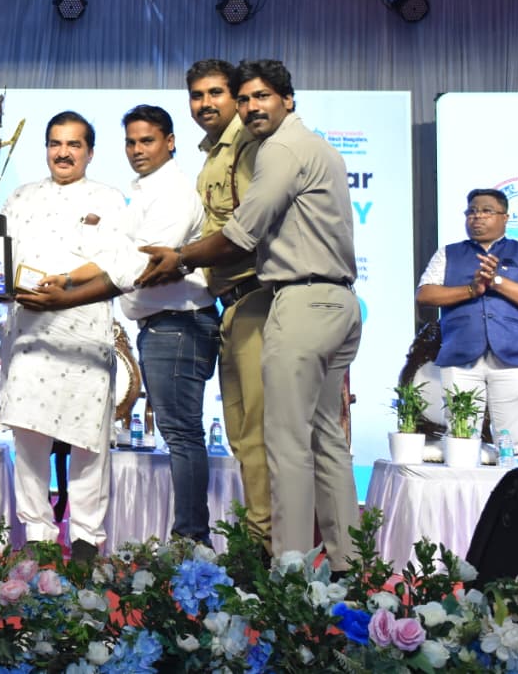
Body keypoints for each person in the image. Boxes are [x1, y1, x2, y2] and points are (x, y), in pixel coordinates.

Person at [138, 59, 362, 566]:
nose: (249, 107)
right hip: (327, 297)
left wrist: (180, 258)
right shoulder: (306, 145)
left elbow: (242, 233)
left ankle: (287, 570)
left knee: (282, 444)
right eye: (244, 98)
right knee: (324, 440)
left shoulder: (274, 148)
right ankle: (349, 565)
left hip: (290, 298)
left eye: (258, 97)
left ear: (288, 99)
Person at [0, 110, 128, 563]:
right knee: (29, 435)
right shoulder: (20, 197)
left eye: (74, 144)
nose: (64, 152)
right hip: (30, 333)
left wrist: (66, 285)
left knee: (89, 441)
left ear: (90, 152)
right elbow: (0, 258)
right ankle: (37, 534)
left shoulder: (109, 199)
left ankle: (88, 538)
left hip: (85, 334)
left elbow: (115, 260)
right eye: (56, 143)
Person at [107, 104, 219, 545]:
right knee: (181, 434)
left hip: (180, 323)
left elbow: (148, 265)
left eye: (147, 140)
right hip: (166, 324)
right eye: (131, 142)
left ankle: (191, 540)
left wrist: (106, 256)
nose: (137, 150)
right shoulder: (146, 191)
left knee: (183, 435)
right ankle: (190, 538)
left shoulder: (172, 192)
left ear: (170, 142)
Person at [188, 58, 271, 548]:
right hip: (232, 305)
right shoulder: (212, 153)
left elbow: (247, 231)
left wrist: (179, 260)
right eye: (197, 95)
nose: (205, 104)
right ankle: (259, 543)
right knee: (242, 433)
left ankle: (271, 549)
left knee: (258, 432)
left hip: (259, 297)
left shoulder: (250, 145)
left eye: (216, 93)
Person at [417, 188, 518, 457]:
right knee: (461, 441)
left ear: (505, 217)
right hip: (460, 357)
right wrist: (471, 289)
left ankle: (511, 483)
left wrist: (497, 281)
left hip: (513, 358)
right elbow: (424, 295)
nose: (477, 217)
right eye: (471, 212)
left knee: (511, 444)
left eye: (486, 211)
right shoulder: (448, 253)